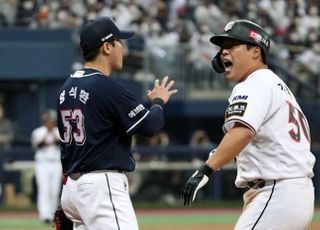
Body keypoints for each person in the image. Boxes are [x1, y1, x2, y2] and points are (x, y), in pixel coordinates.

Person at [181, 19, 315, 229]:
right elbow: (248, 139)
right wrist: (218, 155)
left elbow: (243, 133)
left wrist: (206, 169)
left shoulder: (253, 82)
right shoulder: (276, 85)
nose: (224, 53)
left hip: (277, 193)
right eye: (222, 48)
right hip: (292, 192)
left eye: (232, 46)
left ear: (255, 52)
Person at [57, 16, 177, 230]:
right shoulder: (106, 86)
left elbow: (106, 116)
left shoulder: (67, 86)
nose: (123, 48)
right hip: (100, 187)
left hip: (73, 188)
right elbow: (150, 126)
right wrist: (158, 101)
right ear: (106, 47)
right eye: (119, 42)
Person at [31, 109, 62, 224]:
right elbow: (38, 144)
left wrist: (52, 131)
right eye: (48, 120)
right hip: (42, 163)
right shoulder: (38, 132)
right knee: (44, 189)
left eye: (52, 120)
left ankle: (53, 214)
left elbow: (60, 142)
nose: (51, 122)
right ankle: (44, 216)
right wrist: (47, 132)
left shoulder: (58, 131)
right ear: (44, 121)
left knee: (55, 190)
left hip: (56, 163)